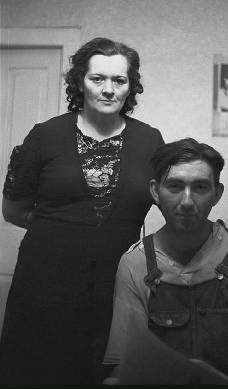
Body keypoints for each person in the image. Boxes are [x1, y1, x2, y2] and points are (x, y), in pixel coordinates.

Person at [0, 37, 164, 387]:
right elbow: (13, 209)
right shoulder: (45, 136)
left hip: (117, 290)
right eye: (97, 79)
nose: (108, 89)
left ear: (130, 86)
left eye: (119, 81)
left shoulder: (150, 141)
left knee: (105, 375)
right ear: (80, 82)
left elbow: (170, 199)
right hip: (43, 288)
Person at [103, 138, 228, 385]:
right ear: (155, 192)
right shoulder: (135, 263)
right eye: (174, 186)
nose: (186, 201)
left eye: (200, 187)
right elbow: (123, 362)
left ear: (217, 193)